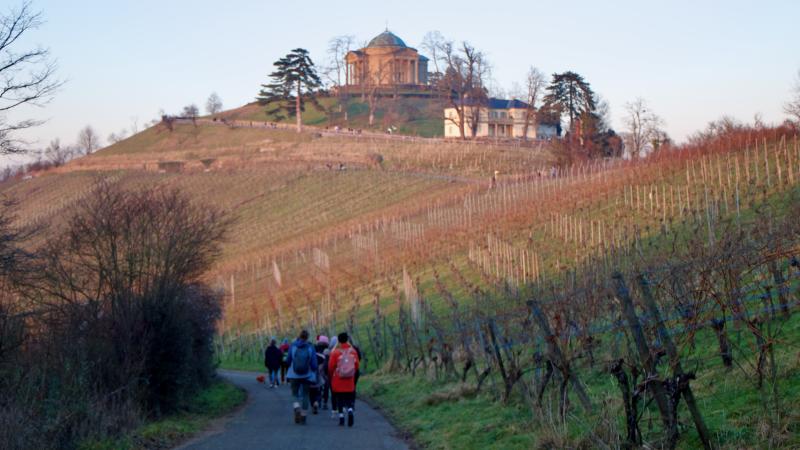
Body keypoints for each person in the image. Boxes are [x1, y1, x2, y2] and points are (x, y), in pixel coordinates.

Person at [286, 330, 318, 424]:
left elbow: (288, 360)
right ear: (307, 337)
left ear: (299, 336)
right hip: (306, 375)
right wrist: (313, 370)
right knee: (305, 395)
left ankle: (296, 408)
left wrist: (290, 365)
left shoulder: (293, 346)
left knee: (294, 393)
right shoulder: (310, 347)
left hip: (293, 374)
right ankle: (303, 416)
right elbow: (314, 364)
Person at [328, 332, 360, 427]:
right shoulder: (353, 351)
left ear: (339, 340)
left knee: (340, 398)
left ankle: (341, 418)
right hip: (349, 379)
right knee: (349, 397)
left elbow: (330, 367)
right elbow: (357, 365)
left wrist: (332, 375)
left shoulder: (335, 352)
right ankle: (350, 410)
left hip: (338, 378)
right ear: (347, 339)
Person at [309, 335, 329, 413]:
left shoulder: (313, 351)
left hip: (311, 373)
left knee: (311, 390)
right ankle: (321, 402)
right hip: (322, 373)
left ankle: (313, 403)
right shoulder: (326, 352)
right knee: (320, 389)